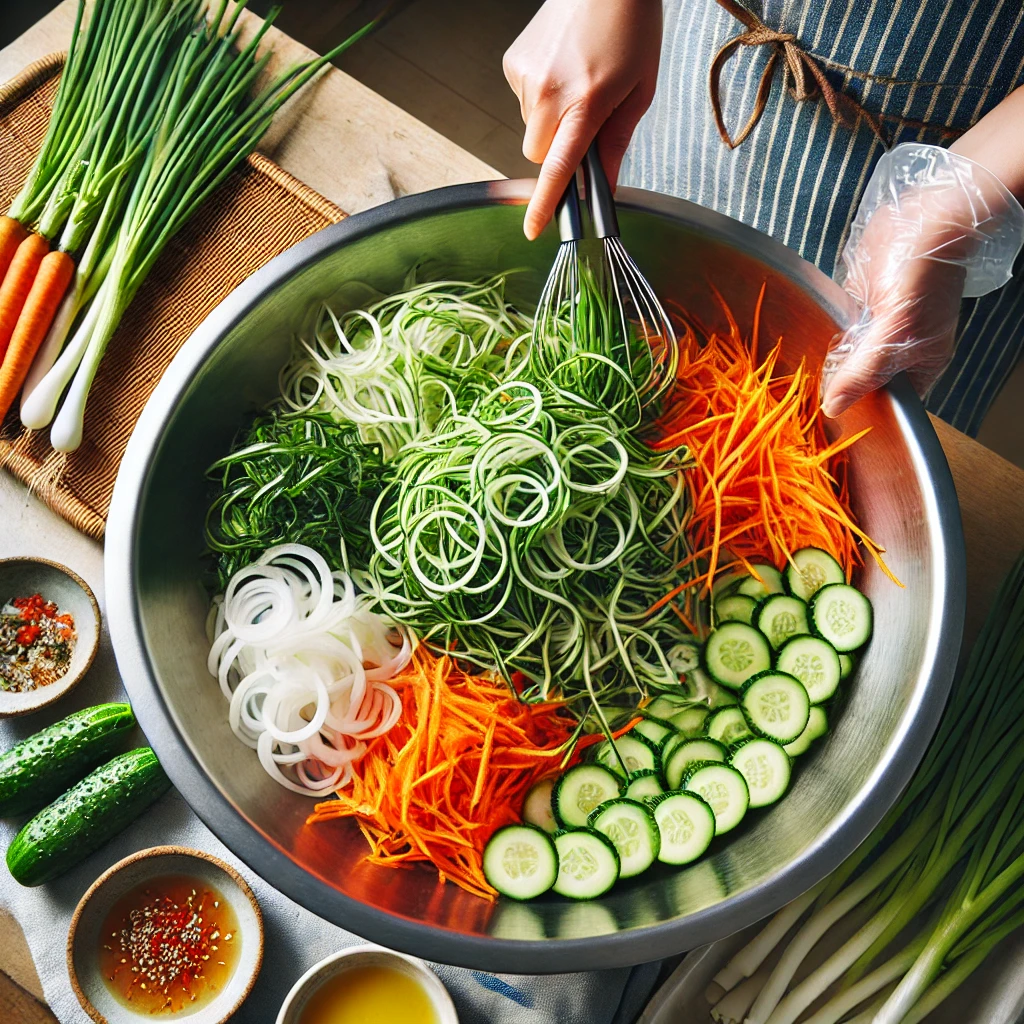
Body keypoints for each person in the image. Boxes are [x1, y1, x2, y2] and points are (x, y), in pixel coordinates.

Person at [503, 0, 1024, 435]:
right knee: (641, 307)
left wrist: (957, 201)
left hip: (969, 174)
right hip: (712, 52)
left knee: (866, 396)